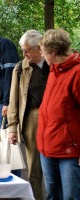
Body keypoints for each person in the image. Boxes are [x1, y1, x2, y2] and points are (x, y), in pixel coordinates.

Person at [37, 28, 80, 199]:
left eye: (43, 52)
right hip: (47, 147)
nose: (42, 56)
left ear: (53, 52)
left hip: (69, 150)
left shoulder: (76, 73)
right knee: (53, 194)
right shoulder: (54, 71)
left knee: (70, 196)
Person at [7, 30, 49, 200]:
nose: (24, 54)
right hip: (32, 118)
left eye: (27, 50)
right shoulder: (20, 68)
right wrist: (12, 127)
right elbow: (13, 100)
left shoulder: (54, 64)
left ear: (40, 48)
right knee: (34, 168)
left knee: (56, 166)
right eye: (22, 50)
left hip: (56, 120)